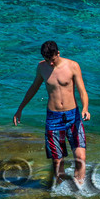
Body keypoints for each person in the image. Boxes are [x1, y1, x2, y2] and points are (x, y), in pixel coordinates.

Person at [13, 40, 91, 187]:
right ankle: (61, 191)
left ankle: (79, 190)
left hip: (73, 116)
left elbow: (82, 91)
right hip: (53, 119)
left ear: (58, 53)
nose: (50, 63)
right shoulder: (42, 67)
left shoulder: (73, 66)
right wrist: (20, 109)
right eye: (47, 60)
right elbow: (33, 88)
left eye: (53, 59)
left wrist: (85, 108)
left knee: (80, 157)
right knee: (57, 161)